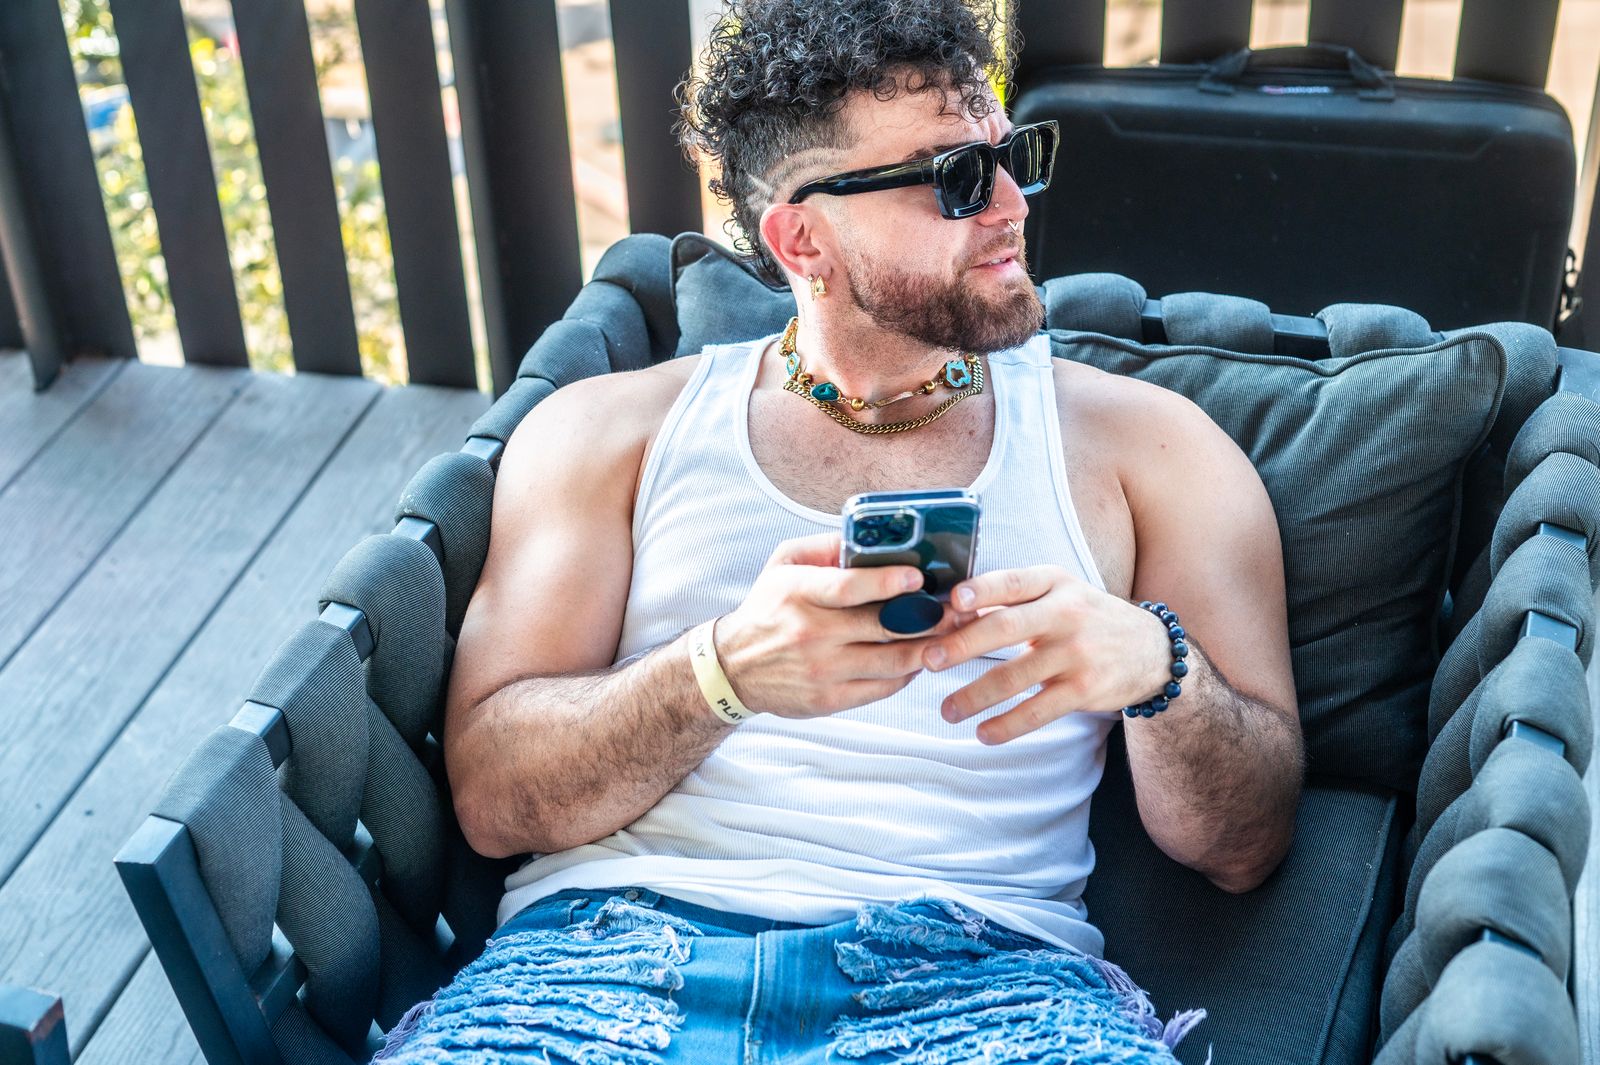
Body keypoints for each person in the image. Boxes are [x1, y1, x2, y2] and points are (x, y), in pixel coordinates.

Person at [377, 1, 1303, 1060]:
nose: (1011, 206)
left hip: (984, 991)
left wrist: (1158, 668)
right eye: (955, 178)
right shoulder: (609, 434)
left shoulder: (1155, 454)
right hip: (601, 962)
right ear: (802, 237)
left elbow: (1248, 843)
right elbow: (495, 800)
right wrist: (721, 674)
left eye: (1012, 157)